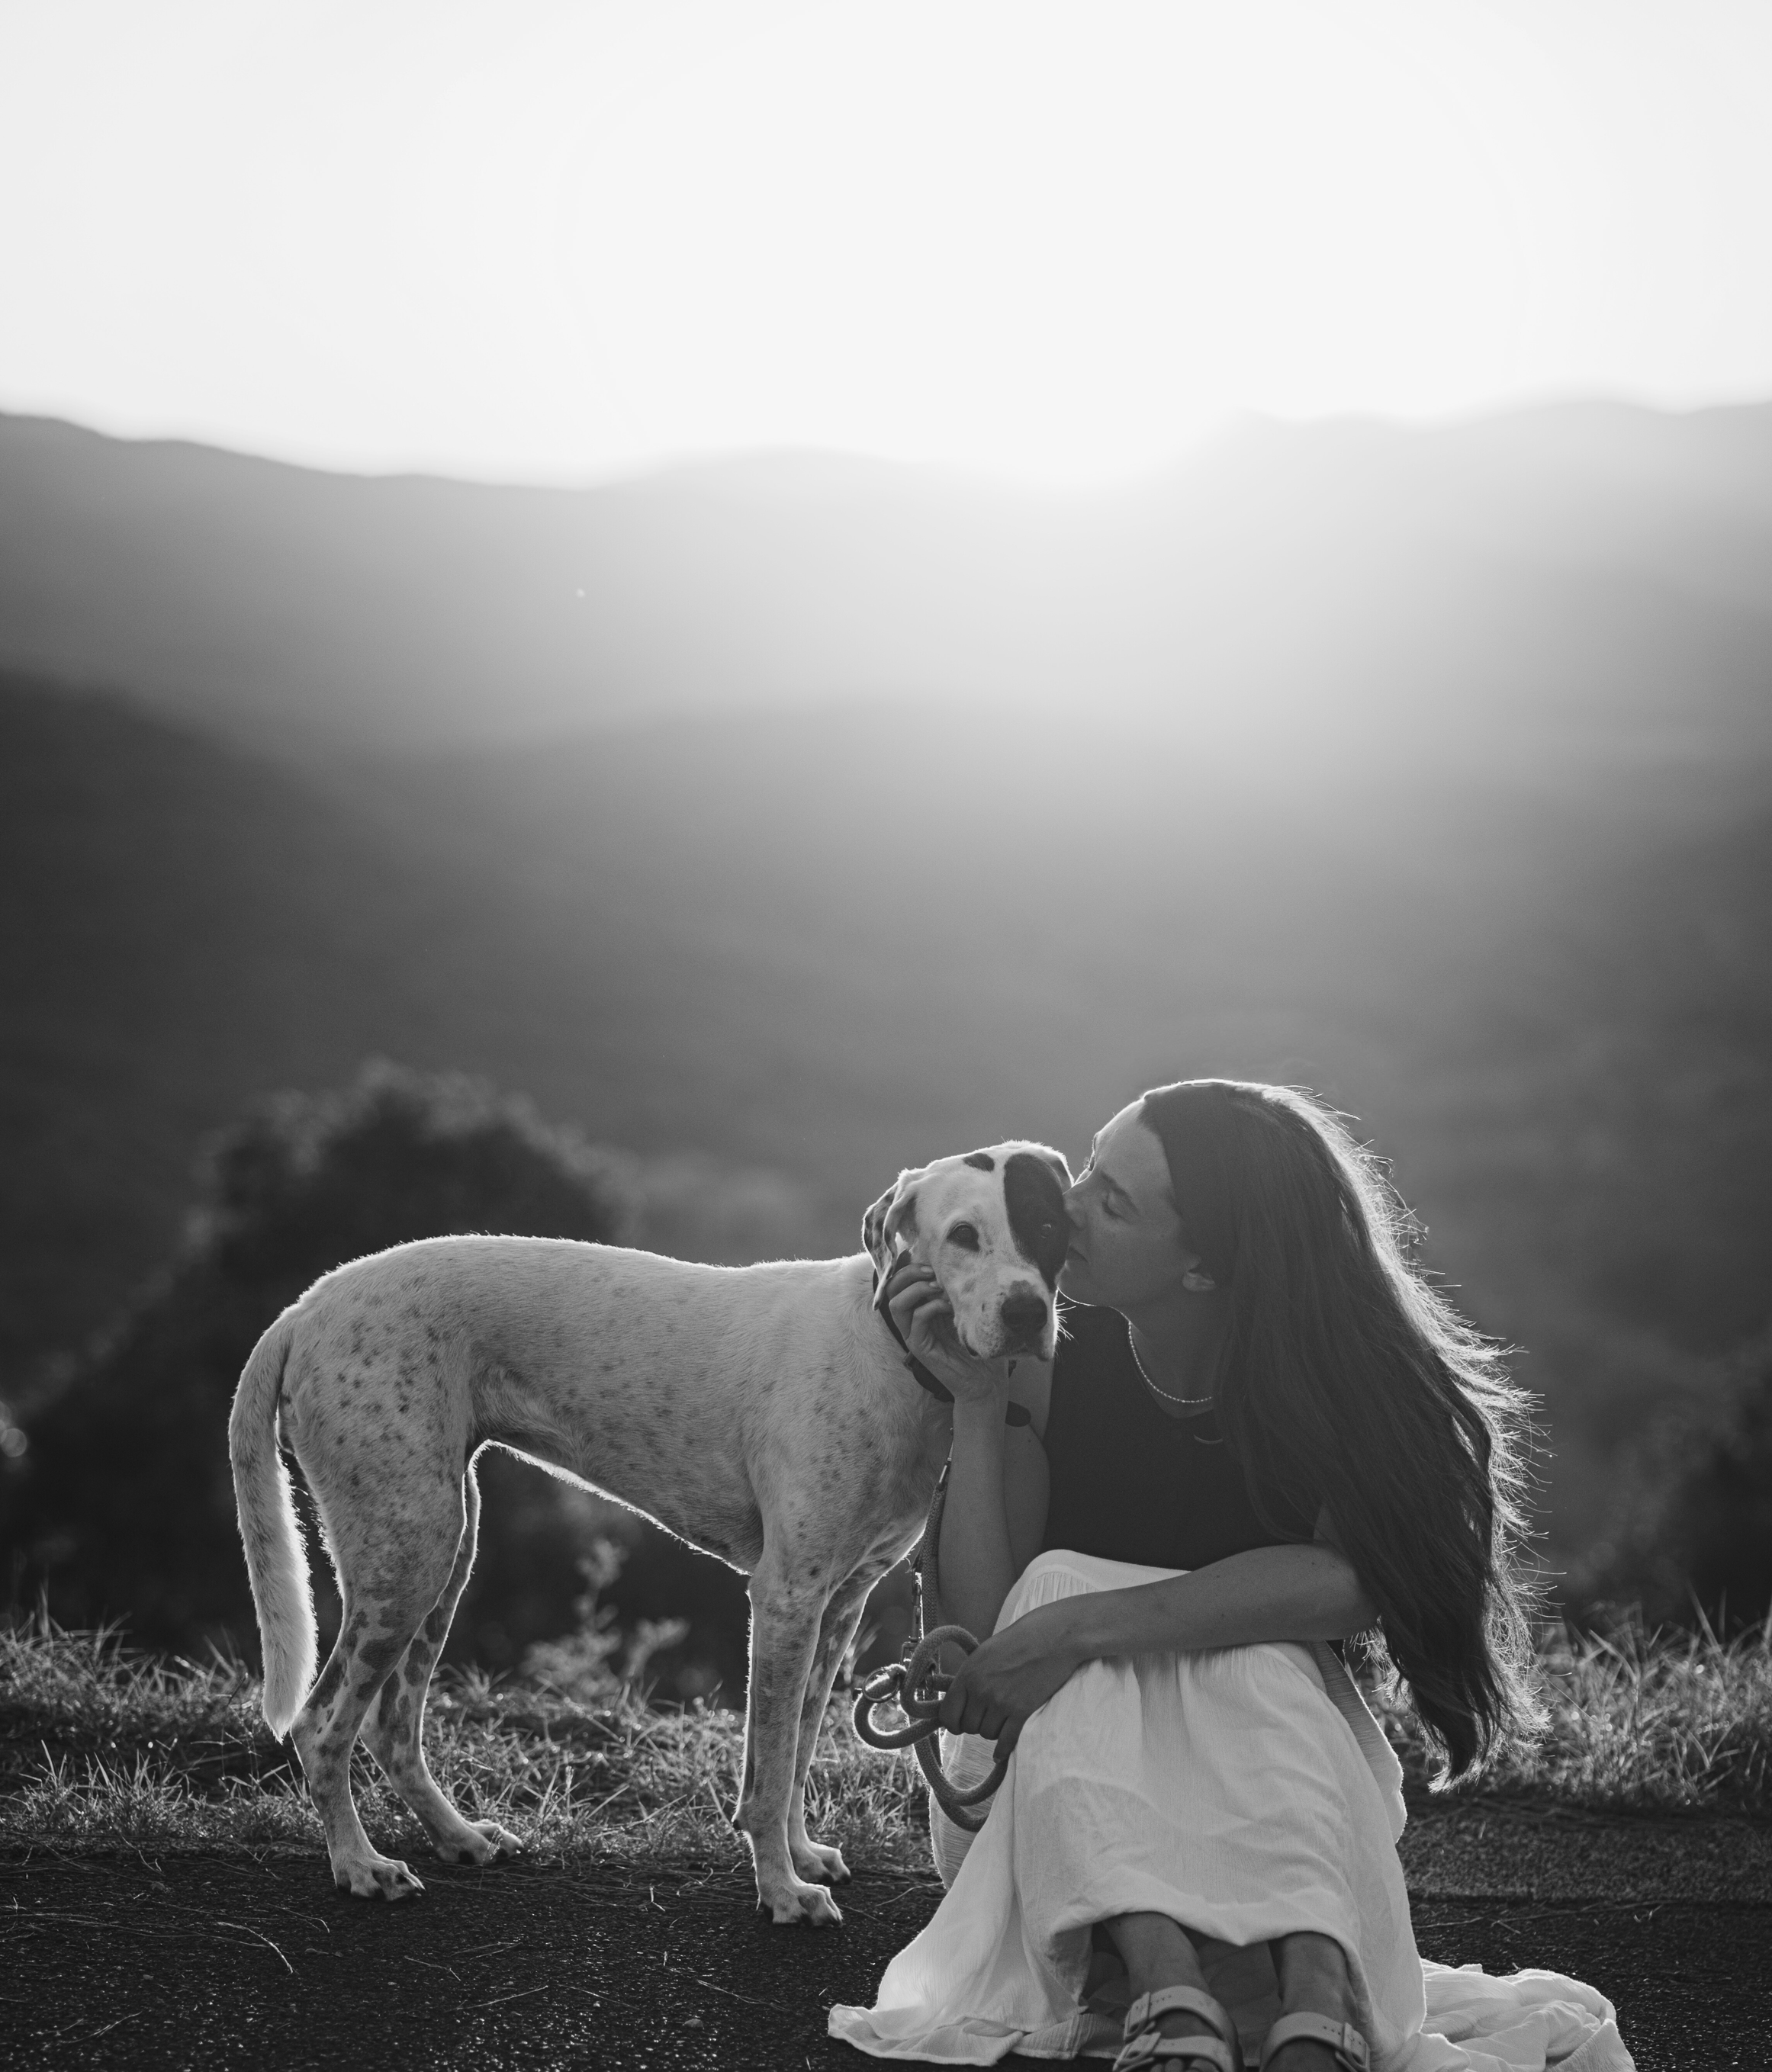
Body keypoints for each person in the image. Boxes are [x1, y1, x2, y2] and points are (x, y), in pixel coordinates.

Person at [830, 1081, 1632, 2072]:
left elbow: (1349, 1584)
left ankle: (1303, 1997)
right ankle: (1186, 1986)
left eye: (1113, 1202)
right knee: (1056, 1590)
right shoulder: (1040, 1349)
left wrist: (1084, 1628)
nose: (1066, 1206)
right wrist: (971, 1401)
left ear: (1205, 1265)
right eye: (1087, 1167)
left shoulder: (1345, 1378)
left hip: (1265, 1795)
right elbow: (989, 1622)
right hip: (1048, 1812)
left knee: (1223, 1633)